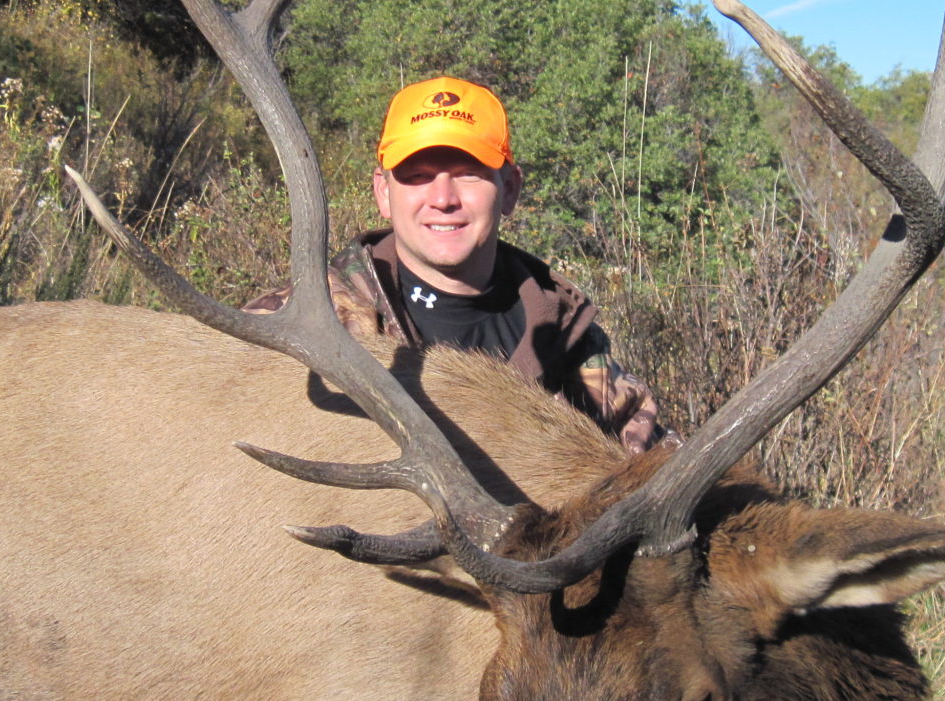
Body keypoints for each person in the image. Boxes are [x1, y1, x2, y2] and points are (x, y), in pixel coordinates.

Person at [245, 76, 666, 452]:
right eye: (416, 175)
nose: (443, 198)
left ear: (509, 189)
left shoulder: (567, 341)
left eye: (468, 173)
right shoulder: (295, 324)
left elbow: (656, 467)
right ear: (383, 192)